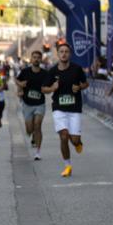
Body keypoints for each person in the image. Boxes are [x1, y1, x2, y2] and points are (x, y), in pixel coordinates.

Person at [41, 41, 89, 178]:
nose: (64, 54)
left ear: (70, 54)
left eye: (66, 52)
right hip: (59, 108)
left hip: (74, 109)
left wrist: (79, 87)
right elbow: (43, 88)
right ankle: (67, 166)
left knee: (74, 140)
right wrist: (52, 88)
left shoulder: (77, 69)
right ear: (58, 54)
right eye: (61, 52)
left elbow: (86, 83)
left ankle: (78, 143)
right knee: (63, 136)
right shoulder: (53, 71)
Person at [15, 50, 48, 160]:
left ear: (41, 59)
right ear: (31, 59)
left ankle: (38, 152)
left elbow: (51, 84)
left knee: (37, 125)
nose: (36, 59)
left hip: (40, 103)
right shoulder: (25, 72)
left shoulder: (45, 73)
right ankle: (32, 133)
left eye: (38, 57)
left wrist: (48, 89)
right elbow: (17, 80)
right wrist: (20, 85)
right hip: (27, 104)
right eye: (34, 57)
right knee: (29, 130)